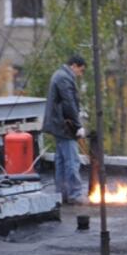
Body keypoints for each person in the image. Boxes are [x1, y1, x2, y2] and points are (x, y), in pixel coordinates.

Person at [42, 55, 87, 204]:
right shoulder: (64, 78)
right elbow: (68, 102)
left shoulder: (59, 74)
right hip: (64, 126)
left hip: (58, 124)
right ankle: (74, 194)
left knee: (61, 160)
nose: (80, 74)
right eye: (80, 71)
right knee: (72, 160)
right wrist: (78, 125)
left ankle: (61, 194)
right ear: (74, 65)